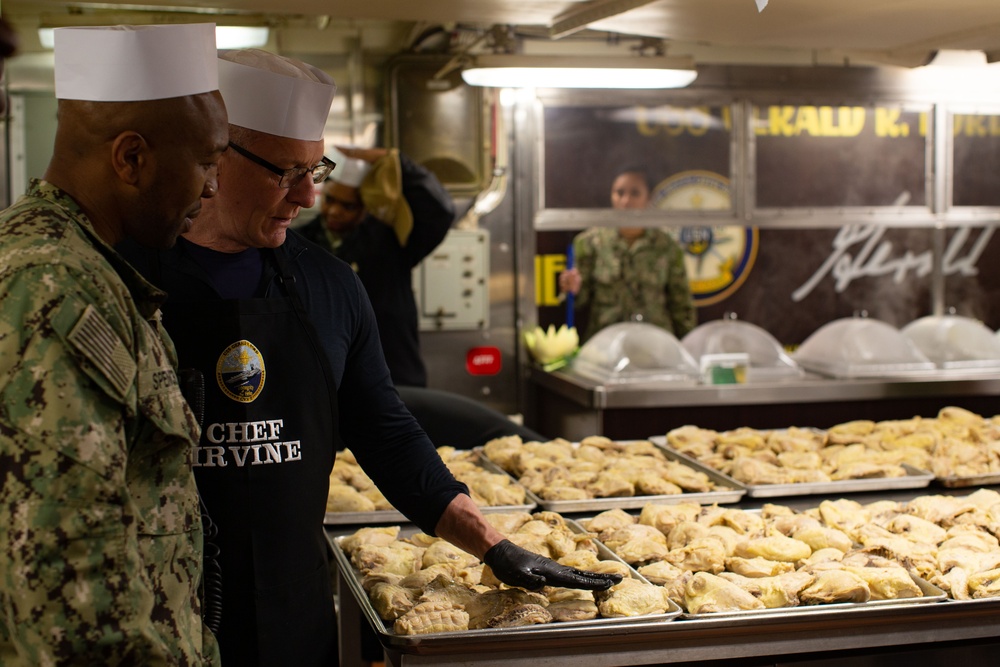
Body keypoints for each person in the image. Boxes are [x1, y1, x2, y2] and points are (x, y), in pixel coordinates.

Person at [120, 48, 619, 666]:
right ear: (215, 158)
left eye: (315, 169)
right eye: (285, 171)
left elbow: (383, 429)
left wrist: (491, 544)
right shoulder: (124, 278)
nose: (307, 195)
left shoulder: (328, 286)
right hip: (151, 614)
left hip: (295, 607)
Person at [0, 23, 228, 665]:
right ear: (131, 158)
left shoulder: (88, 268)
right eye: (207, 162)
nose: (212, 188)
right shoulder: (55, 285)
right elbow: (68, 572)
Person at [297, 146, 453, 387]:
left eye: (348, 206)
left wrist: (396, 161)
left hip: (394, 375)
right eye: (330, 200)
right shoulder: (300, 244)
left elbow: (440, 211)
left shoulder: (391, 243)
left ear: (365, 207)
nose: (335, 211)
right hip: (328, 381)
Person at [558, 166, 697, 341]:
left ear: (648, 199)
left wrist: (687, 347)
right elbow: (575, 304)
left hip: (655, 346)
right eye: (619, 193)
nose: (626, 201)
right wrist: (573, 289)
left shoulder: (667, 246)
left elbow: (681, 306)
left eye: (635, 193)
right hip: (605, 345)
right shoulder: (589, 242)